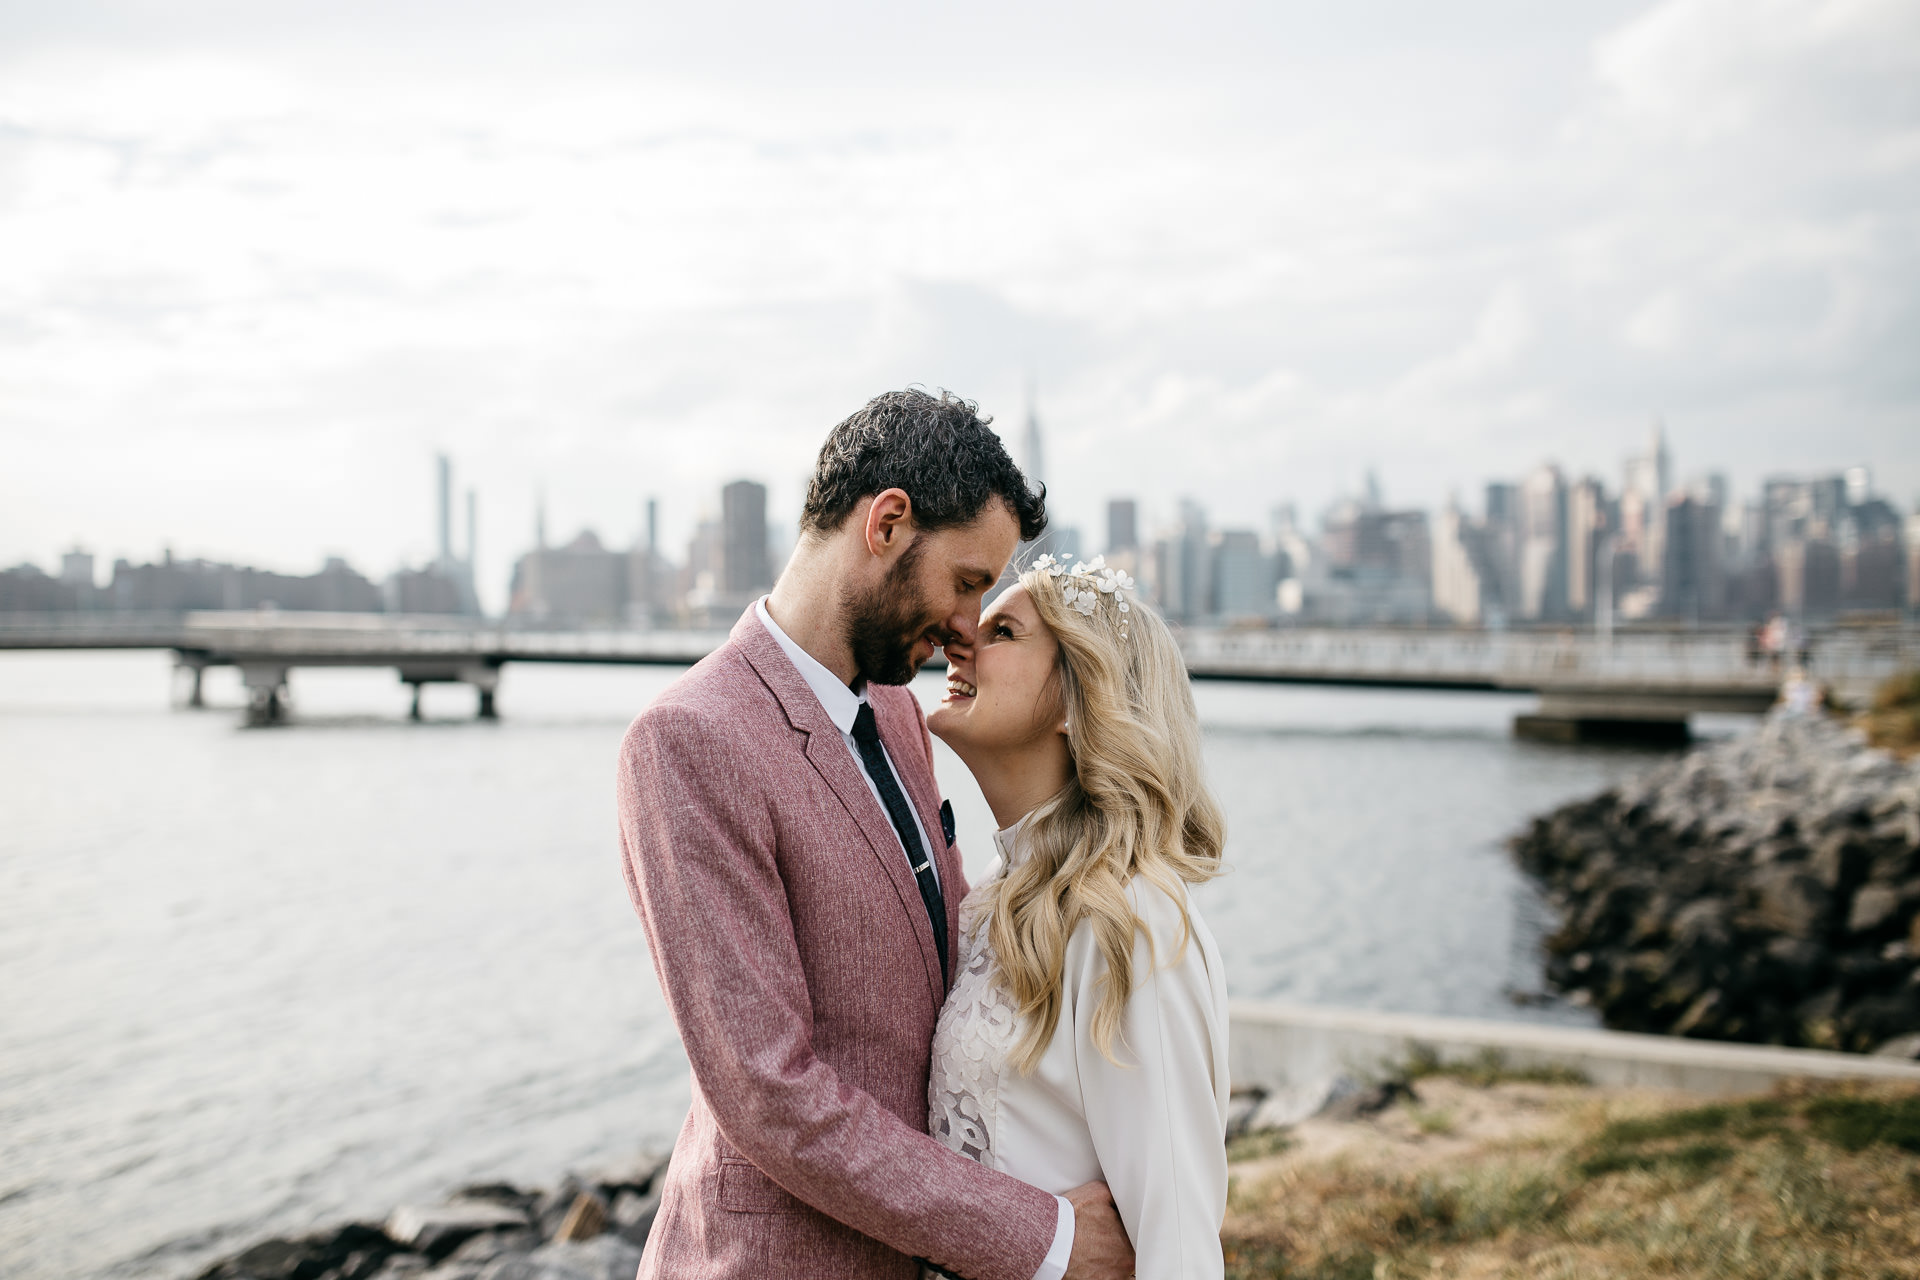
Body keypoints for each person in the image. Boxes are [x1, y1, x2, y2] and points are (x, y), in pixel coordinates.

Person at [616, 389, 1136, 1280]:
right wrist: (1039, 1236)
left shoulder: (898, 710)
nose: (969, 626)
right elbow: (768, 1094)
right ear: (887, 523)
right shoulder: (688, 741)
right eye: (969, 581)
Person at [926, 554, 1230, 1280]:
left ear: (1074, 698)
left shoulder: (1131, 919)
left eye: (1002, 631)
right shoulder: (994, 897)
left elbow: (1178, 1241)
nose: (958, 636)